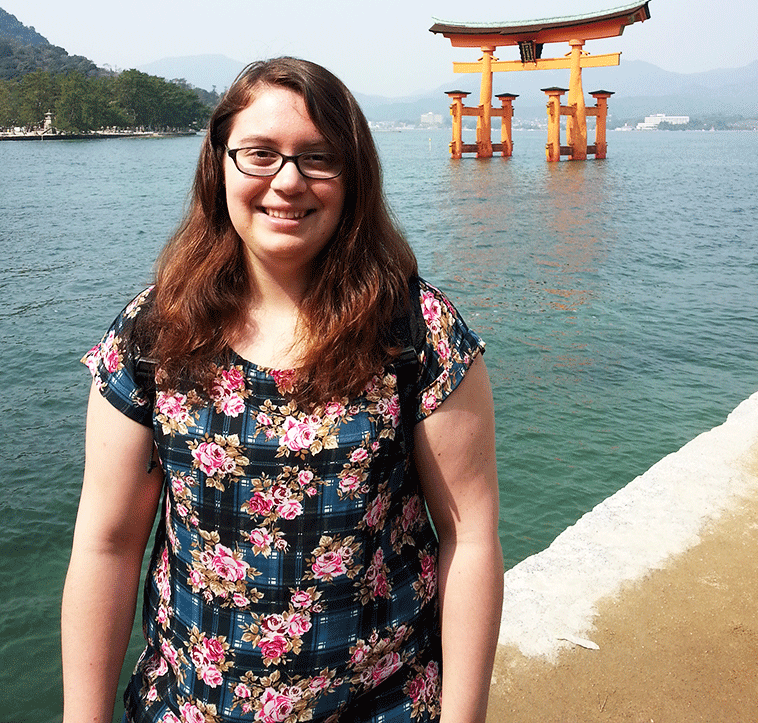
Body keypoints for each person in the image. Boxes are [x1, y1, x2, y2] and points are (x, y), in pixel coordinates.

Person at [62, 57, 503, 723]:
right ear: (221, 164)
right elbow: (108, 544)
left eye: (318, 158)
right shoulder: (154, 333)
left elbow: (468, 538)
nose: (288, 182)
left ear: (352, 175)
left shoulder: (418, 332)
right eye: (260, 155)